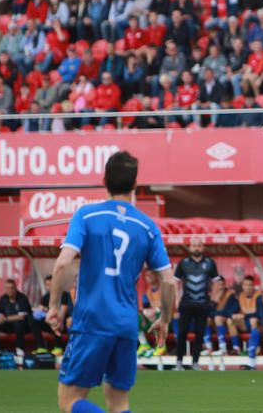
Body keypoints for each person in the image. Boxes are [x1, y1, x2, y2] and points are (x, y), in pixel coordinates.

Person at [47, 151, 175, 413]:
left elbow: (62, 262)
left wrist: (53, 307)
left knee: (69, 399)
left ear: (103, 179)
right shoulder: (147, 226)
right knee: (118, 403)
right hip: (126, 324)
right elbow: (169, 282)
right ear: (135, 184)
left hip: (92, 320)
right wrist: (165, 319)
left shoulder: (87, 216)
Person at [173, 237, 218, 371]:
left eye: (199, 245)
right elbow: (176, 281)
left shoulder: (210, 263)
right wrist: (177, 298)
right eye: (194, 245)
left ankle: (195, 362)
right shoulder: (183, 263)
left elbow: (216, 281)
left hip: (203, 303)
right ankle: (179, 362)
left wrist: (213, 299)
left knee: (200, 333)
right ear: (189, 247)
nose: (196, 248)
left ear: (203, 247)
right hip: (186, 303)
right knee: (182, 333)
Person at [0, 279, 33, 354]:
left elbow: (21, 317)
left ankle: (20, 349)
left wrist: (5, 319)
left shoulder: (22, 298)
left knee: (19, 323)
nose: (10, 290)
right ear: (5, 289)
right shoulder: (3, 298)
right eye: (7, 288)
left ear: (15, 288)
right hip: (9, 325)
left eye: (12, 288)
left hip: (24, 326)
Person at [32, 274, 72, 356]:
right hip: (49, 322)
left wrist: (50, 313)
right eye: (48, 285)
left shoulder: (63, 294)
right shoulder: (45, 297)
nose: (50, 287)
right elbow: (42, 312)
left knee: (55, 320)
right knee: (34, 321)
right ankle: (41, 347)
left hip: (62, 323)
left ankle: (58, 347)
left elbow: (62, 313)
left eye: (52, 284)